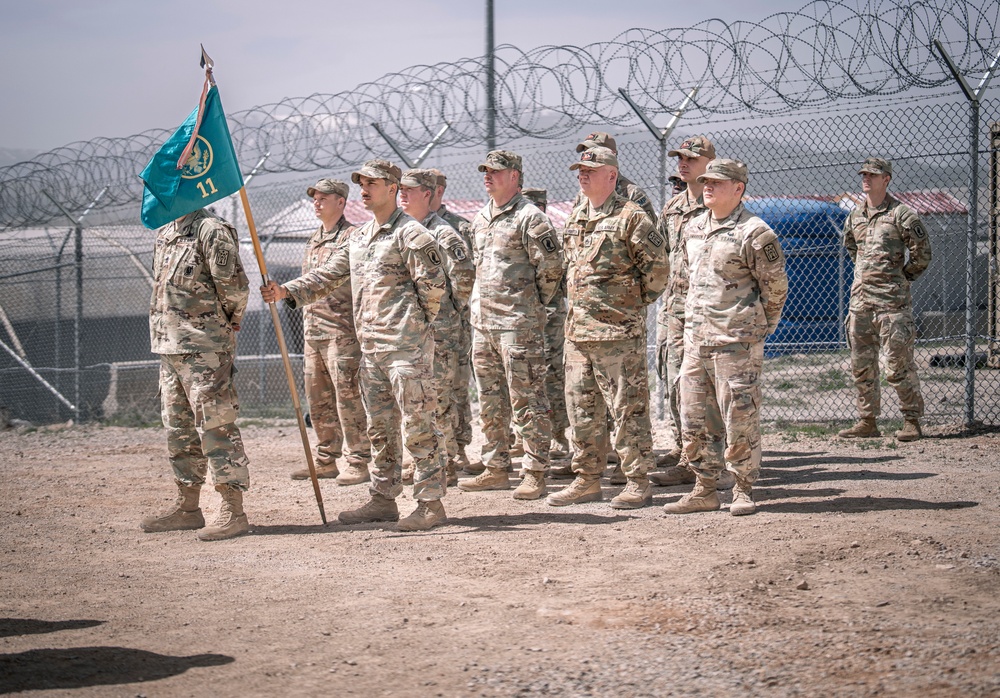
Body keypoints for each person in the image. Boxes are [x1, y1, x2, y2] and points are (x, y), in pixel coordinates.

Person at [292, 159, 448, 531]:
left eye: (372, 182)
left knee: (418, 424)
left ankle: (430, 503)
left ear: (393, 188)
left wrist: (412, 327)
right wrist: (288, 291)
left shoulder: (411, 235)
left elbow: (434, 286)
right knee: (379, 429)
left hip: (404, 349)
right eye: (361, 182)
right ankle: (383, 499)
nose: (364, 188)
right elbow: (329, 275)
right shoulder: (359, 237)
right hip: (371, 349)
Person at [664, 159, 788, 517]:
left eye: (717, 182)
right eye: (705, 181)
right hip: (695, 341)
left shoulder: (755, 232)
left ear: (738, 189)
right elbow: (684, 281)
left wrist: (757, 328)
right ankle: (704, 487)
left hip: (735, 341)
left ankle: (743, 488)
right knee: (692, 418)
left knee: (740, 418)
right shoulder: (694, 228)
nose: (707, 186)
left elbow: (775, 287)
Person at [546, 147, 668, 508]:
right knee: (581, 410)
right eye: (580, 170)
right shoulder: (577, 215)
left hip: (618, 334)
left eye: (591, 169)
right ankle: (587, 479)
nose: (582, 175)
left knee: (628, 409)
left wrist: (627, 308)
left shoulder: (632, 218)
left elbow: (658, 272)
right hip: (578, 332)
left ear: (611, 176)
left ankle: (637, 480)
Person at [140, 208, 252, 541]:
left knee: (216, 425)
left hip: (205, 346)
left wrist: (226, 326)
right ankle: (188, 508)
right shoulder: (166, 233)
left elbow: (234, 287)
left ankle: (234, 509)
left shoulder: (211, 229)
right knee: (179, 429)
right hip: (169, 345)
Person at [458, 150, 563, 500]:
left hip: (518, 324)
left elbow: (551, 271)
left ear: (514, 175)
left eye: (496, 171)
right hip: (484, 323)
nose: (488, 175)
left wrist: (529, 307)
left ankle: (535, 471)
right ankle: (496, 467)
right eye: (485, 170)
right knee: (490, 400)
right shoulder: (480, 218)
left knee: (527, 399)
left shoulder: (530, 218)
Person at [260, 179, 372, 486]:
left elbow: (324, 278)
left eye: (324, 198)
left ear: (341, 202)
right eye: (315, 198)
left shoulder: (352, 237)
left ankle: (358, 460)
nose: (317, 202)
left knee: (347, 399)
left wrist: (285, 291)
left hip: (341, 331)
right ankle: (326, 459)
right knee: (318, 400)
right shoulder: (313, 240)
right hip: (314, 332)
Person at [838, 157, 931, 442]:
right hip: (861, 303)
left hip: (892, 304)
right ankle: (867, 421)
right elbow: (851, 247)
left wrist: (900, 279)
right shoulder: (855, 215)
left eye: (872, 175)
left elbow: (922, 254)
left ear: (886, 179)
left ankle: (911, 420)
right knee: (861, 365)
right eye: (863, 174)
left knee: (897, 364)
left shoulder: (902, 215)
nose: (866, 178)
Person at [399, 168, 476, 487]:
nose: (402, 194)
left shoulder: (443, 233)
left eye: (410, 190)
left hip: (441, 329)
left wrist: (450, 310)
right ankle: (426, 459)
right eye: (400, 189)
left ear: (427, 194)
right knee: (418, 397)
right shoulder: (404, 229)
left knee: (440, 395)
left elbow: (465, 277)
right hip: (414, 329)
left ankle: (444, 462)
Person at [652, 136, 716, 487]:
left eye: (691, 158)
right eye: (679, 157)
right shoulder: (673, 207)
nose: (683, 163)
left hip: (706, 310)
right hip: (673, 308)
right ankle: (685, 454)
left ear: (709, 162)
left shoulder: (715, 205)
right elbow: (659, 255)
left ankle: (712, 460)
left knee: (706, 386)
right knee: (675, 382)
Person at [513, 187, 571, 462]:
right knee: (522, 378)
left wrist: (540, 301)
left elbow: (554, 274)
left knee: (551, 374)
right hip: (524, 315)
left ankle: (559, 436)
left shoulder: (548, 236)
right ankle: (523, 436)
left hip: (549, 314)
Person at [429, 169, 480, 474]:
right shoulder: (410, 226)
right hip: (424, 326)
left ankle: (457, 448)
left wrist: (456, 307)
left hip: (453, 324)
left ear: (438, 191)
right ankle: (440, 451)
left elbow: (468, 275)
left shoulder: (459, 227)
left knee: (456, 387)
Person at [569, 131, 657, 222]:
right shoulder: (583, 194)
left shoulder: (631, 193)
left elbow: (648, 227)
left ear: (612, 154)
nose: (588, 154)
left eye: (594, 149)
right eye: (585, 151)